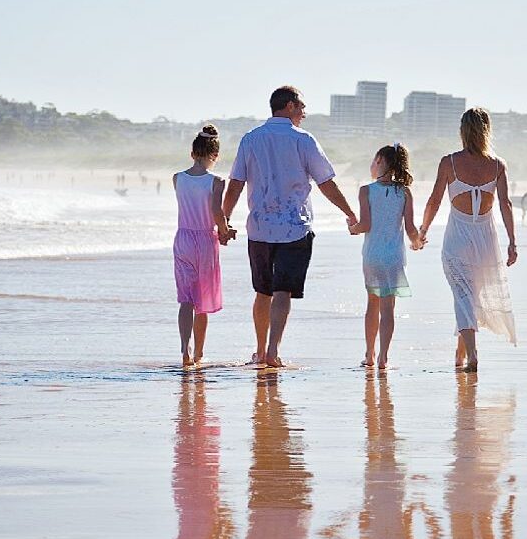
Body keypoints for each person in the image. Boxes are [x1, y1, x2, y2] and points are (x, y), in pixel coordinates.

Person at [223, 86, 356, 368]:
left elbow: (236, 183)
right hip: (295, 227)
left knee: (263, 291)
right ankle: (272, 351)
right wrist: (349, 212)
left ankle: (260, 351)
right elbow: (326, 183)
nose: (305, 113)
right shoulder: (304, 140)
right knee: (282, 291)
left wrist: (224, 220)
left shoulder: (251, 139)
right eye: (302, 107)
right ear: (290, 106)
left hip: (259, 228)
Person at [419, 107, 518, 371]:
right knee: (468, 297)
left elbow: (434, 200)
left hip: (457, 240)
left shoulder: (449, 162)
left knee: (463, 296)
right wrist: (512, 242)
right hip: (486, 241)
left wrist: (423, 230)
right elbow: (505, 204)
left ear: (463, 131)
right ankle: (460, 354)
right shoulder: (497, 165)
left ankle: (472, 354)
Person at [348, 144, 423, 369]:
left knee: (372, 304)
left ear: (380, 161)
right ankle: (383, 357)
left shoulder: (366, 190)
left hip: (372, 256)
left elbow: (365, 225)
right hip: (394, 258)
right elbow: (410, 230)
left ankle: (369, 355)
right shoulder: (405, 192)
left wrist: (352, 228)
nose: (371, 164)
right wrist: (418, 242)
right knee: (388, 308)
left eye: (373, 160)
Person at [172, 124, 236, 366]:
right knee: (202, 301)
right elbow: (216, 213)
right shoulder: (216, 181)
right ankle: (199, 353)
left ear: (192, 153)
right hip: (205, 241)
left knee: (185, 298)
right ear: (215, 156)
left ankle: (184, 350)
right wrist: (226, 231)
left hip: (183, 239)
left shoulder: (177, 178)